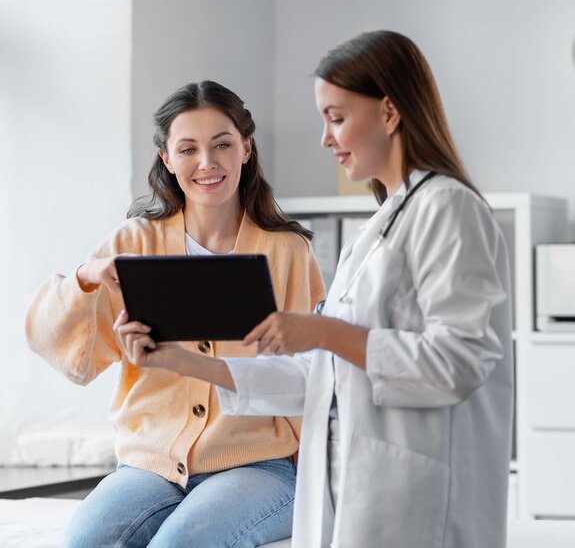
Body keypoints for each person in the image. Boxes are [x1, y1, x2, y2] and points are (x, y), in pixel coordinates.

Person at [115, 31, 514, 548]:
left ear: (390, 113)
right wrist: (182, 361)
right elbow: (318, 379)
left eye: (338, 117)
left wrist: (324, 332)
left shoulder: (447, 209)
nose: (326, 137)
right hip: (362, 482)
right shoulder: (383, 225)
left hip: (423, 494)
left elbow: (460, 360)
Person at [25, 80, 325, 547]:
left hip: (258, 463)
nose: (207, 163)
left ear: (246, 149)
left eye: (222, 144)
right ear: (167, 158)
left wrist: (315, 478)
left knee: (179, 543)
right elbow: (53, 341)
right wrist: (86, 275)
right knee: (83, 542)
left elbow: (312, 370)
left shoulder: (287, 251)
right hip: (151, 463)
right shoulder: (134, 242)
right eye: (188, 149)